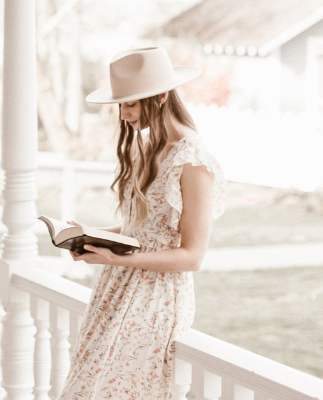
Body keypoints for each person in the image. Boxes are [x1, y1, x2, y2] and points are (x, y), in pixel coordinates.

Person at [58, 47, 226, 400]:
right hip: (117, 286)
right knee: (88, 386)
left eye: (131, 104)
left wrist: (119, 259)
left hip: (156, 298)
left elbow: (192, 256)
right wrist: (92, 236)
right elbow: (141, 228)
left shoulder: (194, 161)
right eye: (121, 105)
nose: (124, 114)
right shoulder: (148, 148)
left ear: (162, 95)